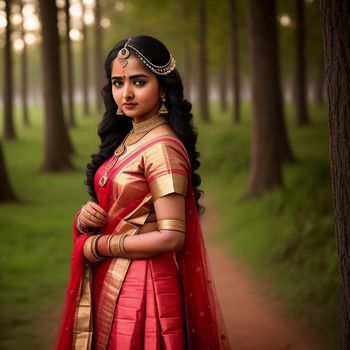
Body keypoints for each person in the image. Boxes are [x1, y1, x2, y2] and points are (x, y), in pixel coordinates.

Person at [55, 35, 229, 350]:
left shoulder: (161, 148)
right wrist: (86, 218)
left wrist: (100, 244)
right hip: (115, 276)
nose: (127, 93)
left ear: (163, 88)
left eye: (139, 81)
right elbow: (123, 205)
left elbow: (172, 237)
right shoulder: (130, 138)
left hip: (146, 288)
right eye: (118, 83)